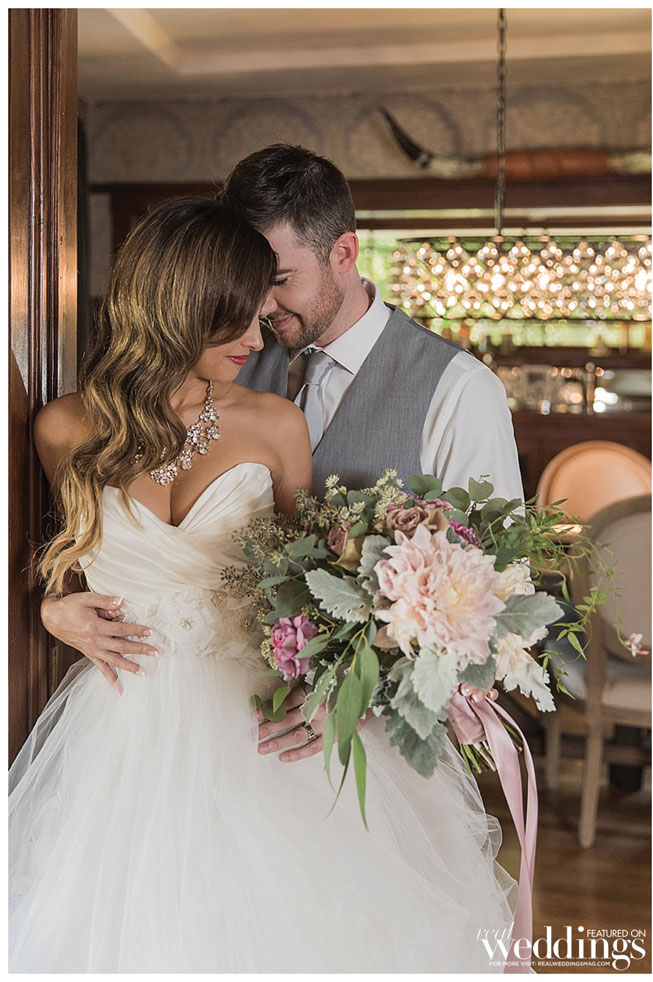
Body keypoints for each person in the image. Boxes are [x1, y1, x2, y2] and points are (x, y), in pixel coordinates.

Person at [10, 197, 515, 972]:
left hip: (261, 725)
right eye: (236, 320)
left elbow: (309, 589)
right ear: (178, 309)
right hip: (121, 731)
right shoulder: (60, 428)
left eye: (259, 315)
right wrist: (53, 612)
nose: (257, 337)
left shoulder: (277, 423)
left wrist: (325, 688)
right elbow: (60, 571)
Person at [41, 143, 525, 766]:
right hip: (157, 724)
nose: (261, 313)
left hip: (354, 746)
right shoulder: (223, 357)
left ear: (343, 253)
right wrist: (52, 610)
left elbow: (494, 604)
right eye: (244, 290)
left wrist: (354, 689)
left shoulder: (458, 390)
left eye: (275, 282)